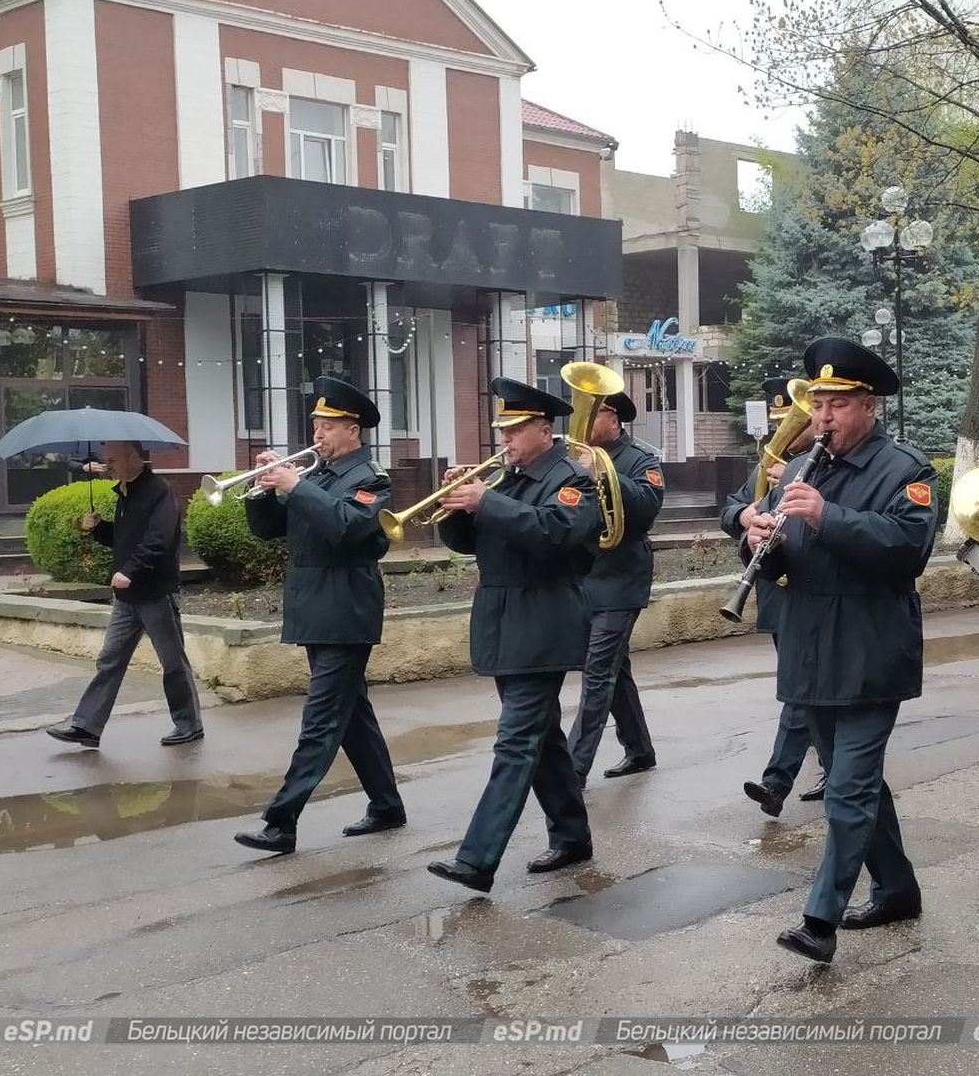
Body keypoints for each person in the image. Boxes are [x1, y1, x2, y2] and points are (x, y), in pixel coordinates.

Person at [744, 337, 937, 963]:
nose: (822, 416)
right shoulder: (806, 466)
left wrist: (828, 517)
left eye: (837, 404)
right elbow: (779, 553)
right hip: (807, 647)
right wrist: (752, 535)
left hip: (870, 648)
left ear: (869, 407)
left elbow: (909, 549)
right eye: (818, 402)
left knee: (847, 789)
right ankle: (898, 888)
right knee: (861, 787)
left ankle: (819, 918)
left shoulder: (906, 469)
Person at [426, 379, 600, 894]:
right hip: (504, 619)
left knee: (516, 741)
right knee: (542, 738)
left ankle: (477, 859)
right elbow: (469, 544)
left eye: (515, 429)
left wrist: (488, 502)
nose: (505, 438)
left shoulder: (570, 479)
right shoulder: (508, 478)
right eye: (503, 429)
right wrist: (458, 506)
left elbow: (556, 533)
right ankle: (572, 836)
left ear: (544, 431)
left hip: (543, 621)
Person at [233, 378, 405, 854]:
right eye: (315, 424)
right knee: (351, 717)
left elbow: (347, 528)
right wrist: (264, 487)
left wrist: (296, 486)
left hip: (346, 610)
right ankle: (387, 806)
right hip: (314, 608)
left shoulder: (372, 479)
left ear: (354, 430)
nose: (318, 434)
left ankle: (281, 821)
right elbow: (267, 530)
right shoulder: (317, 476)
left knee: (321, 720)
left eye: (327, 425)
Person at [44, 441, 204, 749]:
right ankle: (86, 726)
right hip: (126, 598)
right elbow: (124, 540)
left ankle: (189, 724)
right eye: (107, 460)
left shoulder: (160, 491)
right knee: (110, 660)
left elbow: (158, 540)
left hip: (156, 593)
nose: (108, 465)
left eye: (114, 459)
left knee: (172, 662)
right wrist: (98, 528)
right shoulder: (124, 493)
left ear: (134, 457)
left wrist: (129, 570)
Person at [730, 376, 826, 816]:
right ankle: (831, 765)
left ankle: (777, 780)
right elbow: (730, 506)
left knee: (800, 689)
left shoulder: (820, 464)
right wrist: (747, 513)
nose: (783, 428)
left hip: (810, 590)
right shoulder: (771, 463)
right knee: (802, 687)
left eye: (793, 421)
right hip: (774, 591)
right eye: (779, 421)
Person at [565, 390, 665, 784]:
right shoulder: (571, 458)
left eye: (594, 413)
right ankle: (639, 750)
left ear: (615, 419)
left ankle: (573, 768)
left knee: (597, 671)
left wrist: (603, 472)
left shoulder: (642, 459)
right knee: (614, 671)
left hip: (622, 578)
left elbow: (647, 507)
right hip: (585, 574)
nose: (584, 422)